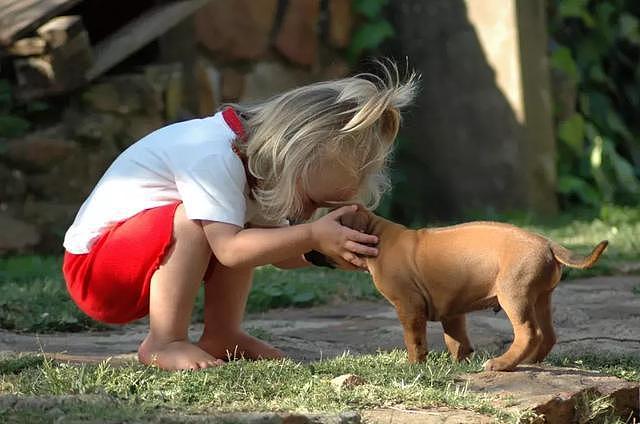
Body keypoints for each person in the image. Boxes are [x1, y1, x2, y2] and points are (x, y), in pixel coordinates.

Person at [62, 61, 418, 370]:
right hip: (98, 274)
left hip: (139, 266)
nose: (308, 214)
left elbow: (278, 255)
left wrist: (332, 251)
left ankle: (222, 335)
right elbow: (230, 251)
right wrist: (312, 234)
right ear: (292, 155)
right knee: (195, 222)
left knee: (248, 232)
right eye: (310, 200)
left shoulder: (262, 165)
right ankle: (164, 341)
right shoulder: (211, 154)